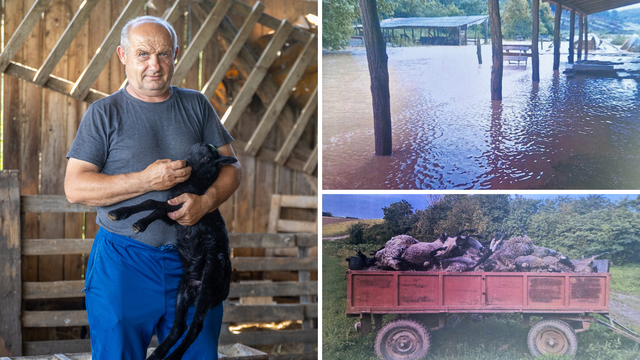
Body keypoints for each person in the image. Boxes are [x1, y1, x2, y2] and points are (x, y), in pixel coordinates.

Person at [64, 15, 242, 360]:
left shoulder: (196, 105)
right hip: (124, 262)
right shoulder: (103, 113)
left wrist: (205, 203)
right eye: (143, 54)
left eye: (163, 55)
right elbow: (75, 187)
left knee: (197, 353)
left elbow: (231, 167)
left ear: (175, 54)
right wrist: (147, 180)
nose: (154, 65)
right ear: (123, 55)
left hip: (193, 262)